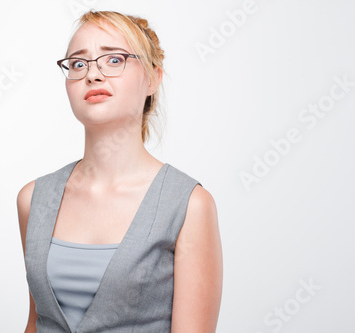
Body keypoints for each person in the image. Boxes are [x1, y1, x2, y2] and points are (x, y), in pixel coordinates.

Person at [17, 9, 223, 333]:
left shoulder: (189, 206)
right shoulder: (34, 199)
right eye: (78, 63)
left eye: (114, 60)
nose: (93, 75)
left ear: (153, 78)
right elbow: (36, 322)